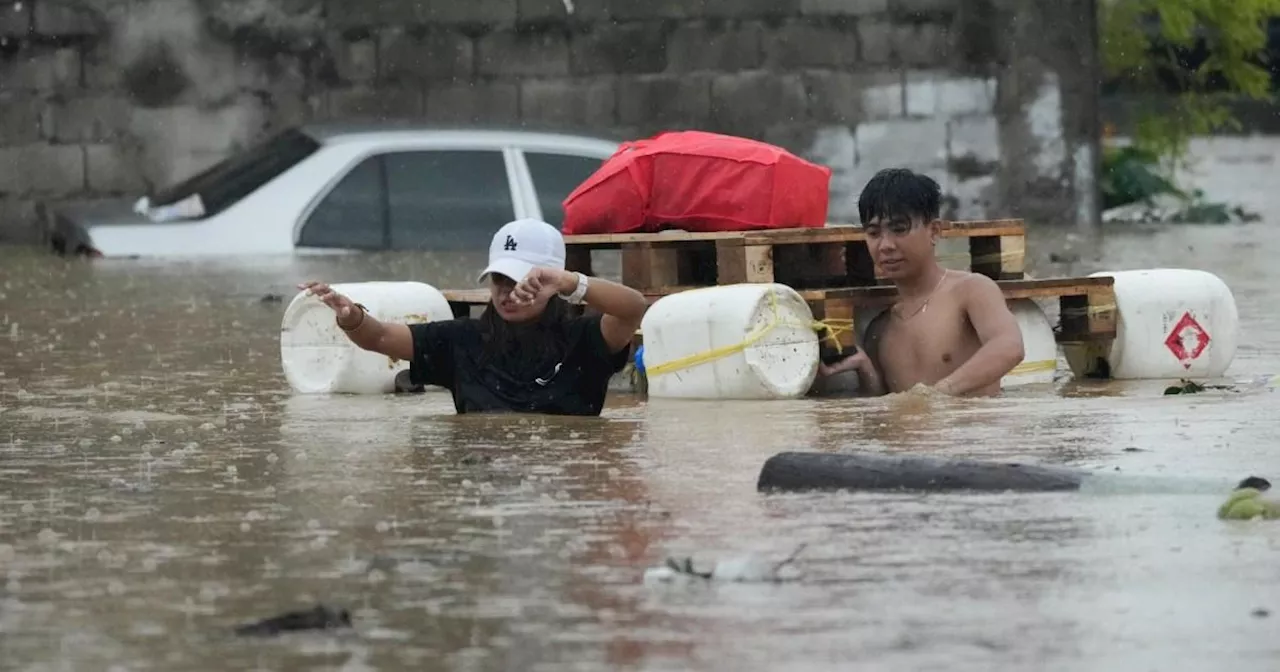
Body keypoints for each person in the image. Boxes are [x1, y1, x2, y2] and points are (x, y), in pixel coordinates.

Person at [298, 218, 648, 416]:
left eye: (521, 280)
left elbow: (633, 308)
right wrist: (351, 316)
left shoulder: (586, 341)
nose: (507, 292)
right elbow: (379, 338)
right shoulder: (460, 341)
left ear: (552, 281)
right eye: (500, 280)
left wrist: (570, 281)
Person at [819, 168, 1025, 397]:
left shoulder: (971, 291)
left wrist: (937, 395)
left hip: (972, 431)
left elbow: (1009, 347)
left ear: (934, 231)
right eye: (874, 233)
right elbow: (884, 407)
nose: (885, 245)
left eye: (899, 229)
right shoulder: (881, 329)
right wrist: (865, 367)